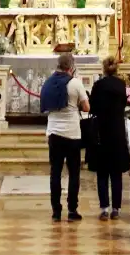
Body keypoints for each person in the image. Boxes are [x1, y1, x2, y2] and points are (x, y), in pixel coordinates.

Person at [43, 50, 88, 222]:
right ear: (71, 67)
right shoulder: (75, 83)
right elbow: (86, 107)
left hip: (54, 132)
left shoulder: (49, 82)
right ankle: (72, 209)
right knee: (74, 173)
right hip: (72, 134)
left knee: (55, 172)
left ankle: (56, 211)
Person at [88, 56, 130, 219]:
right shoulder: (121, 84)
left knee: (102, 172)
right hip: (117, 131)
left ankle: (104, 208)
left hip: (102, 131)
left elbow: (92, 107)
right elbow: (124, 103)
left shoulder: (98, 85)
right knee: (116, 172)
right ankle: (116, 208)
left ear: (103, 69)